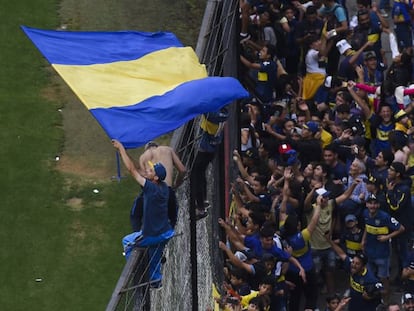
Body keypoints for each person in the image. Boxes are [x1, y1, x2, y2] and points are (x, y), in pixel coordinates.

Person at [112, 139, 174, 288]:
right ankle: (156, 281)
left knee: (127, 242)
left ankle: (137, 275)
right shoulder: (163, 188)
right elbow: (138, 171)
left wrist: (121, 149)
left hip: (154, 234)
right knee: (153, 254)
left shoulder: (151, 189)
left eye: (151, 171)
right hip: (166, 232)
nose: (148, 171)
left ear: (156, 178)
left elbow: (132, 170)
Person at [130, 141, 187, 231]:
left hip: (152, 191)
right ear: (157, 145)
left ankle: (138, 236)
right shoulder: (168, 150)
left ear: (146, 149)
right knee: (173, 217)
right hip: (168, 191)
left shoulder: (143, 157)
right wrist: (177, 184)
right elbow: (183, 170)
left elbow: (143, 181)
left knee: (135, 215)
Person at [190, 107, 229, 220]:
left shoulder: (211, 114)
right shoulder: (224, 113)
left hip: (205, 148)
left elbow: (201, 104)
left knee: (196, 175)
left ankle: (201, 208)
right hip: (212, 147)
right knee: (201, 173)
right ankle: (204, 201)